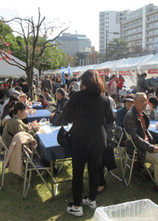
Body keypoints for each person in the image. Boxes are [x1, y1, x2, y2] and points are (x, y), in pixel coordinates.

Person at [65, 69, 115, 217]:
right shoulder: (104, 98)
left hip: (80, 138)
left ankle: (77, 205)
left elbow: (68, 117)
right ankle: (91, 200)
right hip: (99, 139)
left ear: (84, 82)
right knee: (94, 170)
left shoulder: (77, 96)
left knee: (78, 173)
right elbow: (111, 118)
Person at [124, 92, 158, 197]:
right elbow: (135, 139)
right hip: (137, 149)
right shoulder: (130, 116)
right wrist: (150, 147)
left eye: (146, 101)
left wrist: (152, 142)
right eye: (143, 101)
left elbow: (146, 131)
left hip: (144, 146)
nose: (146, 103)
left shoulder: (142, 114)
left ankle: (149, 172)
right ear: (135, 103)